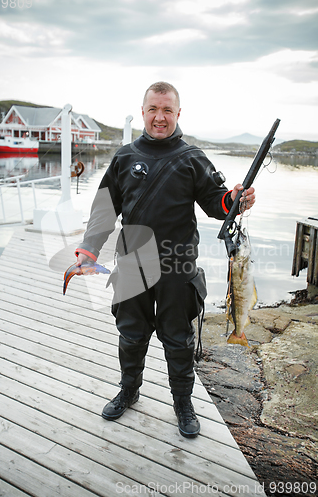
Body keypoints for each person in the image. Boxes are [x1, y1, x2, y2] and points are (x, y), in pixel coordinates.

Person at [75, 81, 255, 438]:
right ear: (143, 112)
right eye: (153, 110)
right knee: (131, 335)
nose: (160, 117)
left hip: (177, 266)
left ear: (177, 113)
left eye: (167, 110)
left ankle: (183, 403)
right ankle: (129, 390)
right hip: (131, 263)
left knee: (178, 339)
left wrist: (236, 199)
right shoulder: (125, 156)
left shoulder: (192, 158)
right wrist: (88, 250)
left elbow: (216, 202)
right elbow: (104, 210)